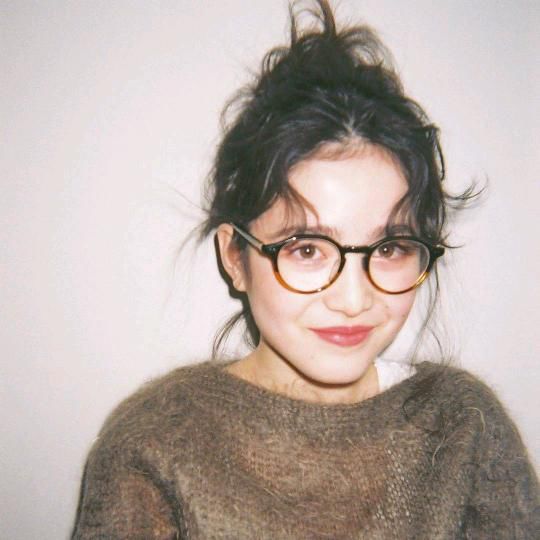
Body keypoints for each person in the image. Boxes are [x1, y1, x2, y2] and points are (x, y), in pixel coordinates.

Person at [71, 1, 539, 538]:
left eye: (390, 248)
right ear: (235, 257)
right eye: (307, 249)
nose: (354, 299)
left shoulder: (464, 428)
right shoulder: (154, 445)